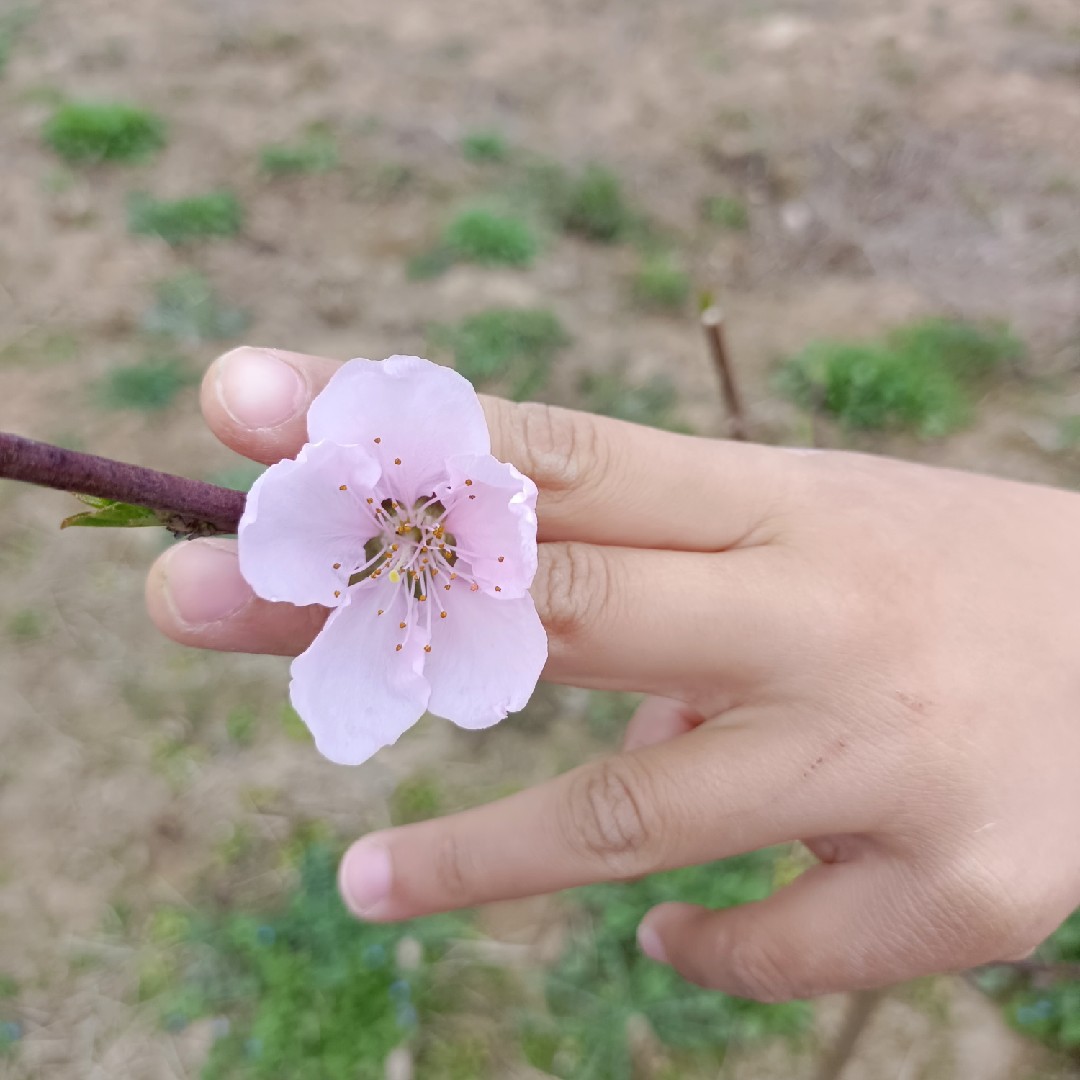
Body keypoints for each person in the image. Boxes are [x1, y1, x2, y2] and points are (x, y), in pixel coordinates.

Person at [145, 345, 1080, 1003]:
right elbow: (297, 523)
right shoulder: (348, 529)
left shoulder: (474, 509)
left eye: (422, 533)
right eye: (404, 538)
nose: (411, 543)